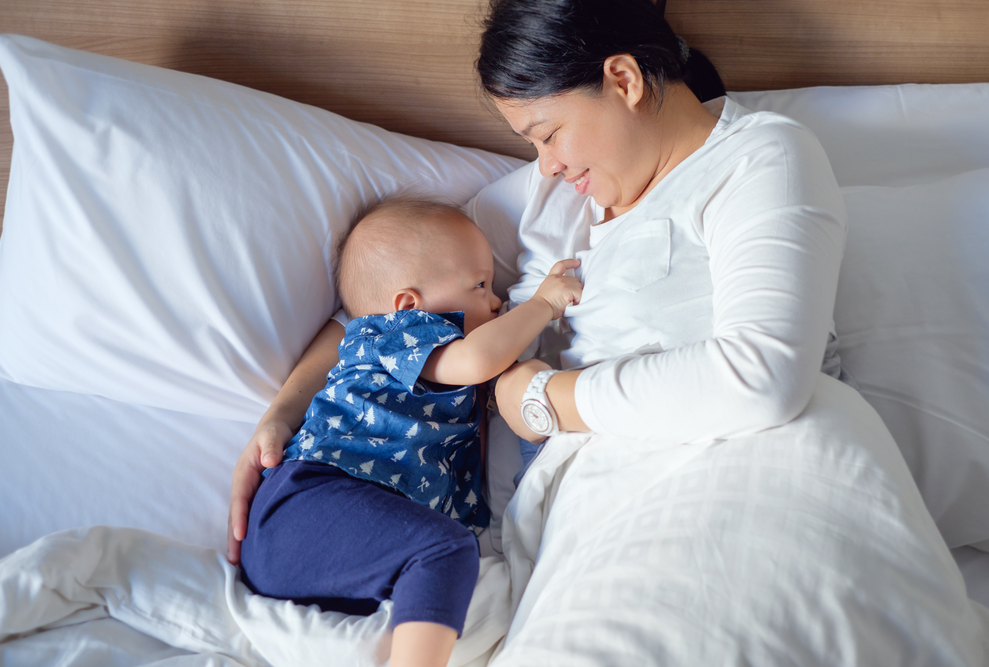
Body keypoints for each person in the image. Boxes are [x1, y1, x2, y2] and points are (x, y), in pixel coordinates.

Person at [230, 0, 846, 652]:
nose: (545, 164)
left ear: (625, 80)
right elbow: (378, 310)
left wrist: (540, 397)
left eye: (548, 133)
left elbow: (763, 375)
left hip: (750, 481)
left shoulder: (761, 159)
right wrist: (282, 413)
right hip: (585, 533)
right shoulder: (546, 203)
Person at [238, 197, 582, 667]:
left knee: (449, 563)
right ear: (408, 303)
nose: (498, 300)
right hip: (311, 502)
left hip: (344, 546)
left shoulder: (446, 375)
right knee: (447, 551)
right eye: (480, 285)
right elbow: (477, 358)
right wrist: (543, 303)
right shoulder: (398, 332)